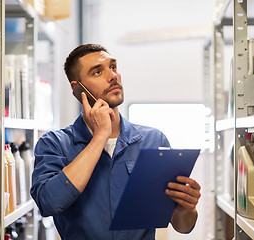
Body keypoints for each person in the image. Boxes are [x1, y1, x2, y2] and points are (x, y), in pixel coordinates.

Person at [31, 44, 201, 240]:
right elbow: (48, 203)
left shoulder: (154, 140)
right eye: (97, 72)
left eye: (113, 67)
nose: (113, 76)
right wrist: (100, 136)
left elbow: (182, 226)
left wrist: (186, 207)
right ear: (77, 88)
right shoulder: (54, 144)